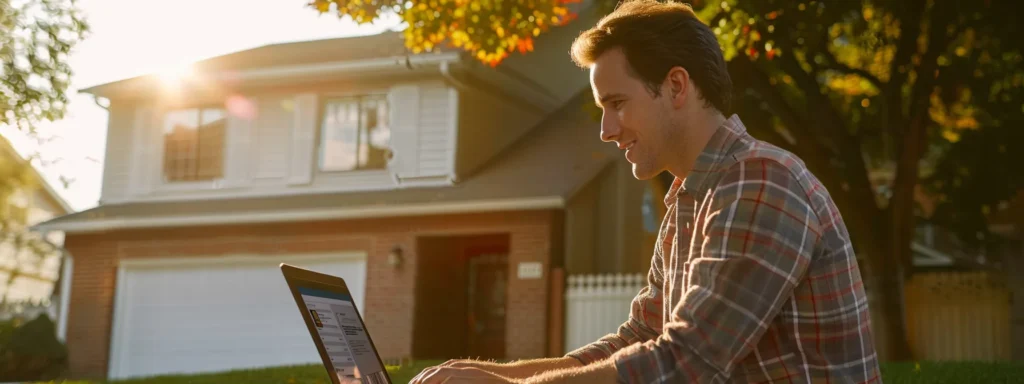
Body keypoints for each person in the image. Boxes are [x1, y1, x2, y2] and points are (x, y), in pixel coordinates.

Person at [410, 0, 881, 382]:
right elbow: (640, 337)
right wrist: (493, 376)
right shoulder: (690, 196)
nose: (605, 130)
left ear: (676, 86)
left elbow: (686, 362)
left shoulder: (762, 183)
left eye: (616, 103)